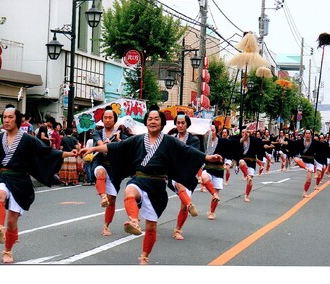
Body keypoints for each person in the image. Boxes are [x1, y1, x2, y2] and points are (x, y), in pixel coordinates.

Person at [79, 105, 222, 264]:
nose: (153, 121)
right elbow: (114, 147)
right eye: (150, 119)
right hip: (140, 179)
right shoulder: (137, 139)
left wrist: (207, 158)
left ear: (161, 123)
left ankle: (145, 257)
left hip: (158, 186)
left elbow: (187, 151)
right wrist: (92, 149)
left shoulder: (169, 141)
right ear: (146, 123)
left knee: (152, 226)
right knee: (129, 190)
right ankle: (134, 220)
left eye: (156, 119)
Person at [0, 107, 77, 264]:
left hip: (21, 181)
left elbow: (46, 152)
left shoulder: (28, 139)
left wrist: (69, 154)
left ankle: (8, 250)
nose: (6, 120)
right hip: (3, 176)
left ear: (17, 120)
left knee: (11, 221)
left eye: (10, 117)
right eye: (4, 117)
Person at [91, 106, 127, 237]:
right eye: (105, 118)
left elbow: (127, 147)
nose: (107, 120)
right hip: (100, 162)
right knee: (100, 173)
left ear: (115, 119)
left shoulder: (121, 133)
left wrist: (118, 141)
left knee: (112, 200)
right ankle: (102, 196)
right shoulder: (97, 132)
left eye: (110, 117)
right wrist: (105, 144)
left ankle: (106, 226)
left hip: (115, 168)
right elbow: (100, 145)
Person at [167, 112, 200, 240]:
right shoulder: (171, 138)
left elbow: (193, 156)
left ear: (187, 125)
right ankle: (190, 204)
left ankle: (178, 230)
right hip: (174, 173)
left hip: (188, 175)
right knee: (179, 186)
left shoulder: (194, 140)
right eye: (178, 123)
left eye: (183, 123)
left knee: (183, 207)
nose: (180, 125)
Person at [200, 124, 235, 219]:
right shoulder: (204, 142)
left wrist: (227, 163)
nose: (211, 133)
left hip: (219, 170)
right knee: (204, 176)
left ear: (217, 132)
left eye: (213, 131)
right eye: (209, 131)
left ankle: (211, 212)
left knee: (217, 191)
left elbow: (229, 154)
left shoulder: (223, 142)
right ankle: (213, 194)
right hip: (207, 168)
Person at [289, 129, 323, 197]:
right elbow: (291, 144)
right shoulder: (300, 142)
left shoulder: (314, 143)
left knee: (309, 178)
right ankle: (307, 168)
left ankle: (305, 192)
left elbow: (325, 146)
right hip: (302, 159)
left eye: (309, 133)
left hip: (310, 161)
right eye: (306, 133)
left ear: (311, 135)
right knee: (296, 159)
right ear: (304, 134)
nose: (307, 135)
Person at [237, 128, 264, 202]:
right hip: (243, 160)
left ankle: (246, 195)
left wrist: (251, 135)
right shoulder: (239, 141)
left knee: (250, 181)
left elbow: (259, 143)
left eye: (246, 132)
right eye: (242, 132)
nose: (244, 134)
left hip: (251, 162)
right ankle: (247, 176)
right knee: (241, 162)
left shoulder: (252, 141)